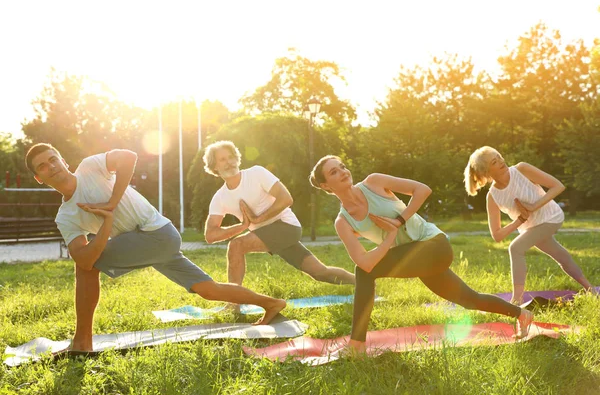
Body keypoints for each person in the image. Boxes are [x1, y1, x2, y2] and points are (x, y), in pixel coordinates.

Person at [25, 143, 286, 352]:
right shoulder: (66, 216)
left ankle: (82, 343)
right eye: (43, 167)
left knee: (86, 270)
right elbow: (82, 257)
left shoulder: (90, 167)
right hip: (148, 241)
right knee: (207, 290)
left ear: (63, 160)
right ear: (39, 178)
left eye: (53, 159)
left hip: (156, 234)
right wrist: (106, 223)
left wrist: (111, 204)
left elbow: (128, 156)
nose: (51, 166)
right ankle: (272, 303)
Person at [309, 155, 534, 353]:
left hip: (434, 245)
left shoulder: (374, 182)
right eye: (333, 172)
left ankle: (357, 344)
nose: (343, 172)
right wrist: (389, 236)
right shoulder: (343, 222)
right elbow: (365, 262)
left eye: (342, 166)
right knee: (468, 299)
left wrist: (398, 221)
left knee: (364, 273)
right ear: (326, 186)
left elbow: (422, 189)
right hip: (416, 258)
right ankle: (522, 315)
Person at [203, 141, 355, 309]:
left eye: (231, 157)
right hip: (269, 236)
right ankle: (363, 282)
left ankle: (233, 303)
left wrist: (257, 219)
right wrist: (243, 225)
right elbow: (211, 235)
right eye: (223, 159)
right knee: (320, 272)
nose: (229, 162)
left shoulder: (256, 173)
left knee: (236, 245)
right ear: (214, 167)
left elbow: (286, 199)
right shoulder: (220, 197)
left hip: (286, 226)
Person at [464, 146, 593, 304]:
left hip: (551, 217)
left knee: (515, 248)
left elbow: (558, 186)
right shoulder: (493, 196)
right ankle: (590, 290)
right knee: (562, 257)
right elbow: (497, 235)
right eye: (494, 161)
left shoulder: (522, 169)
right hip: (531, 228)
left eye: (499, 156)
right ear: (486, 172)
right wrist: (519, 221)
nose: (501, 161)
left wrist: (533, 207)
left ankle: (516, 300)